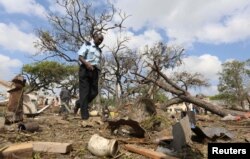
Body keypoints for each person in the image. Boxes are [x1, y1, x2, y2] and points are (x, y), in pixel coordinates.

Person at [77, 33, 104, 120]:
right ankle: (85, 117)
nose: (100, 41)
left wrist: (98, 69)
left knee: (94, 92)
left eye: (101, 40)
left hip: (94, 70)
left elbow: (97, 61)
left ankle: (78, 103)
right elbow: (80, 57)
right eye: (99, 39)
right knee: (84, 92)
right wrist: (86, 63)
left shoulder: (99, 50)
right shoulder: (87, 44)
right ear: (94, 37)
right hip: (85, 69)